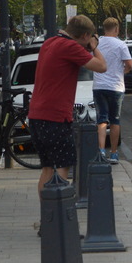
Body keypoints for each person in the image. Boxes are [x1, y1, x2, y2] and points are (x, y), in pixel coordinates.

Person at [28, 15, 107, 199]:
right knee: (62, 166)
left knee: (47, 168)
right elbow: (102, 66)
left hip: (37, 114)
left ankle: (48, 218)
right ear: (86, 35)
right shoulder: (70, 46)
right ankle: (60, 216)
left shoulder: (50, 43)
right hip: (55, 117)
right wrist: (94, 47)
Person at [92, 17, 132, 164]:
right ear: (116, 29)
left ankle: (101, 150)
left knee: (101, 119)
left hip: (99, 86)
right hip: (116, 86)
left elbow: (91, 60)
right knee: (115, 120)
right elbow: (129, 64)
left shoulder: (96, 44)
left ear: (104, 28)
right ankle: (114, 153)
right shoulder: (121, 44)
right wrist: (123, 72)